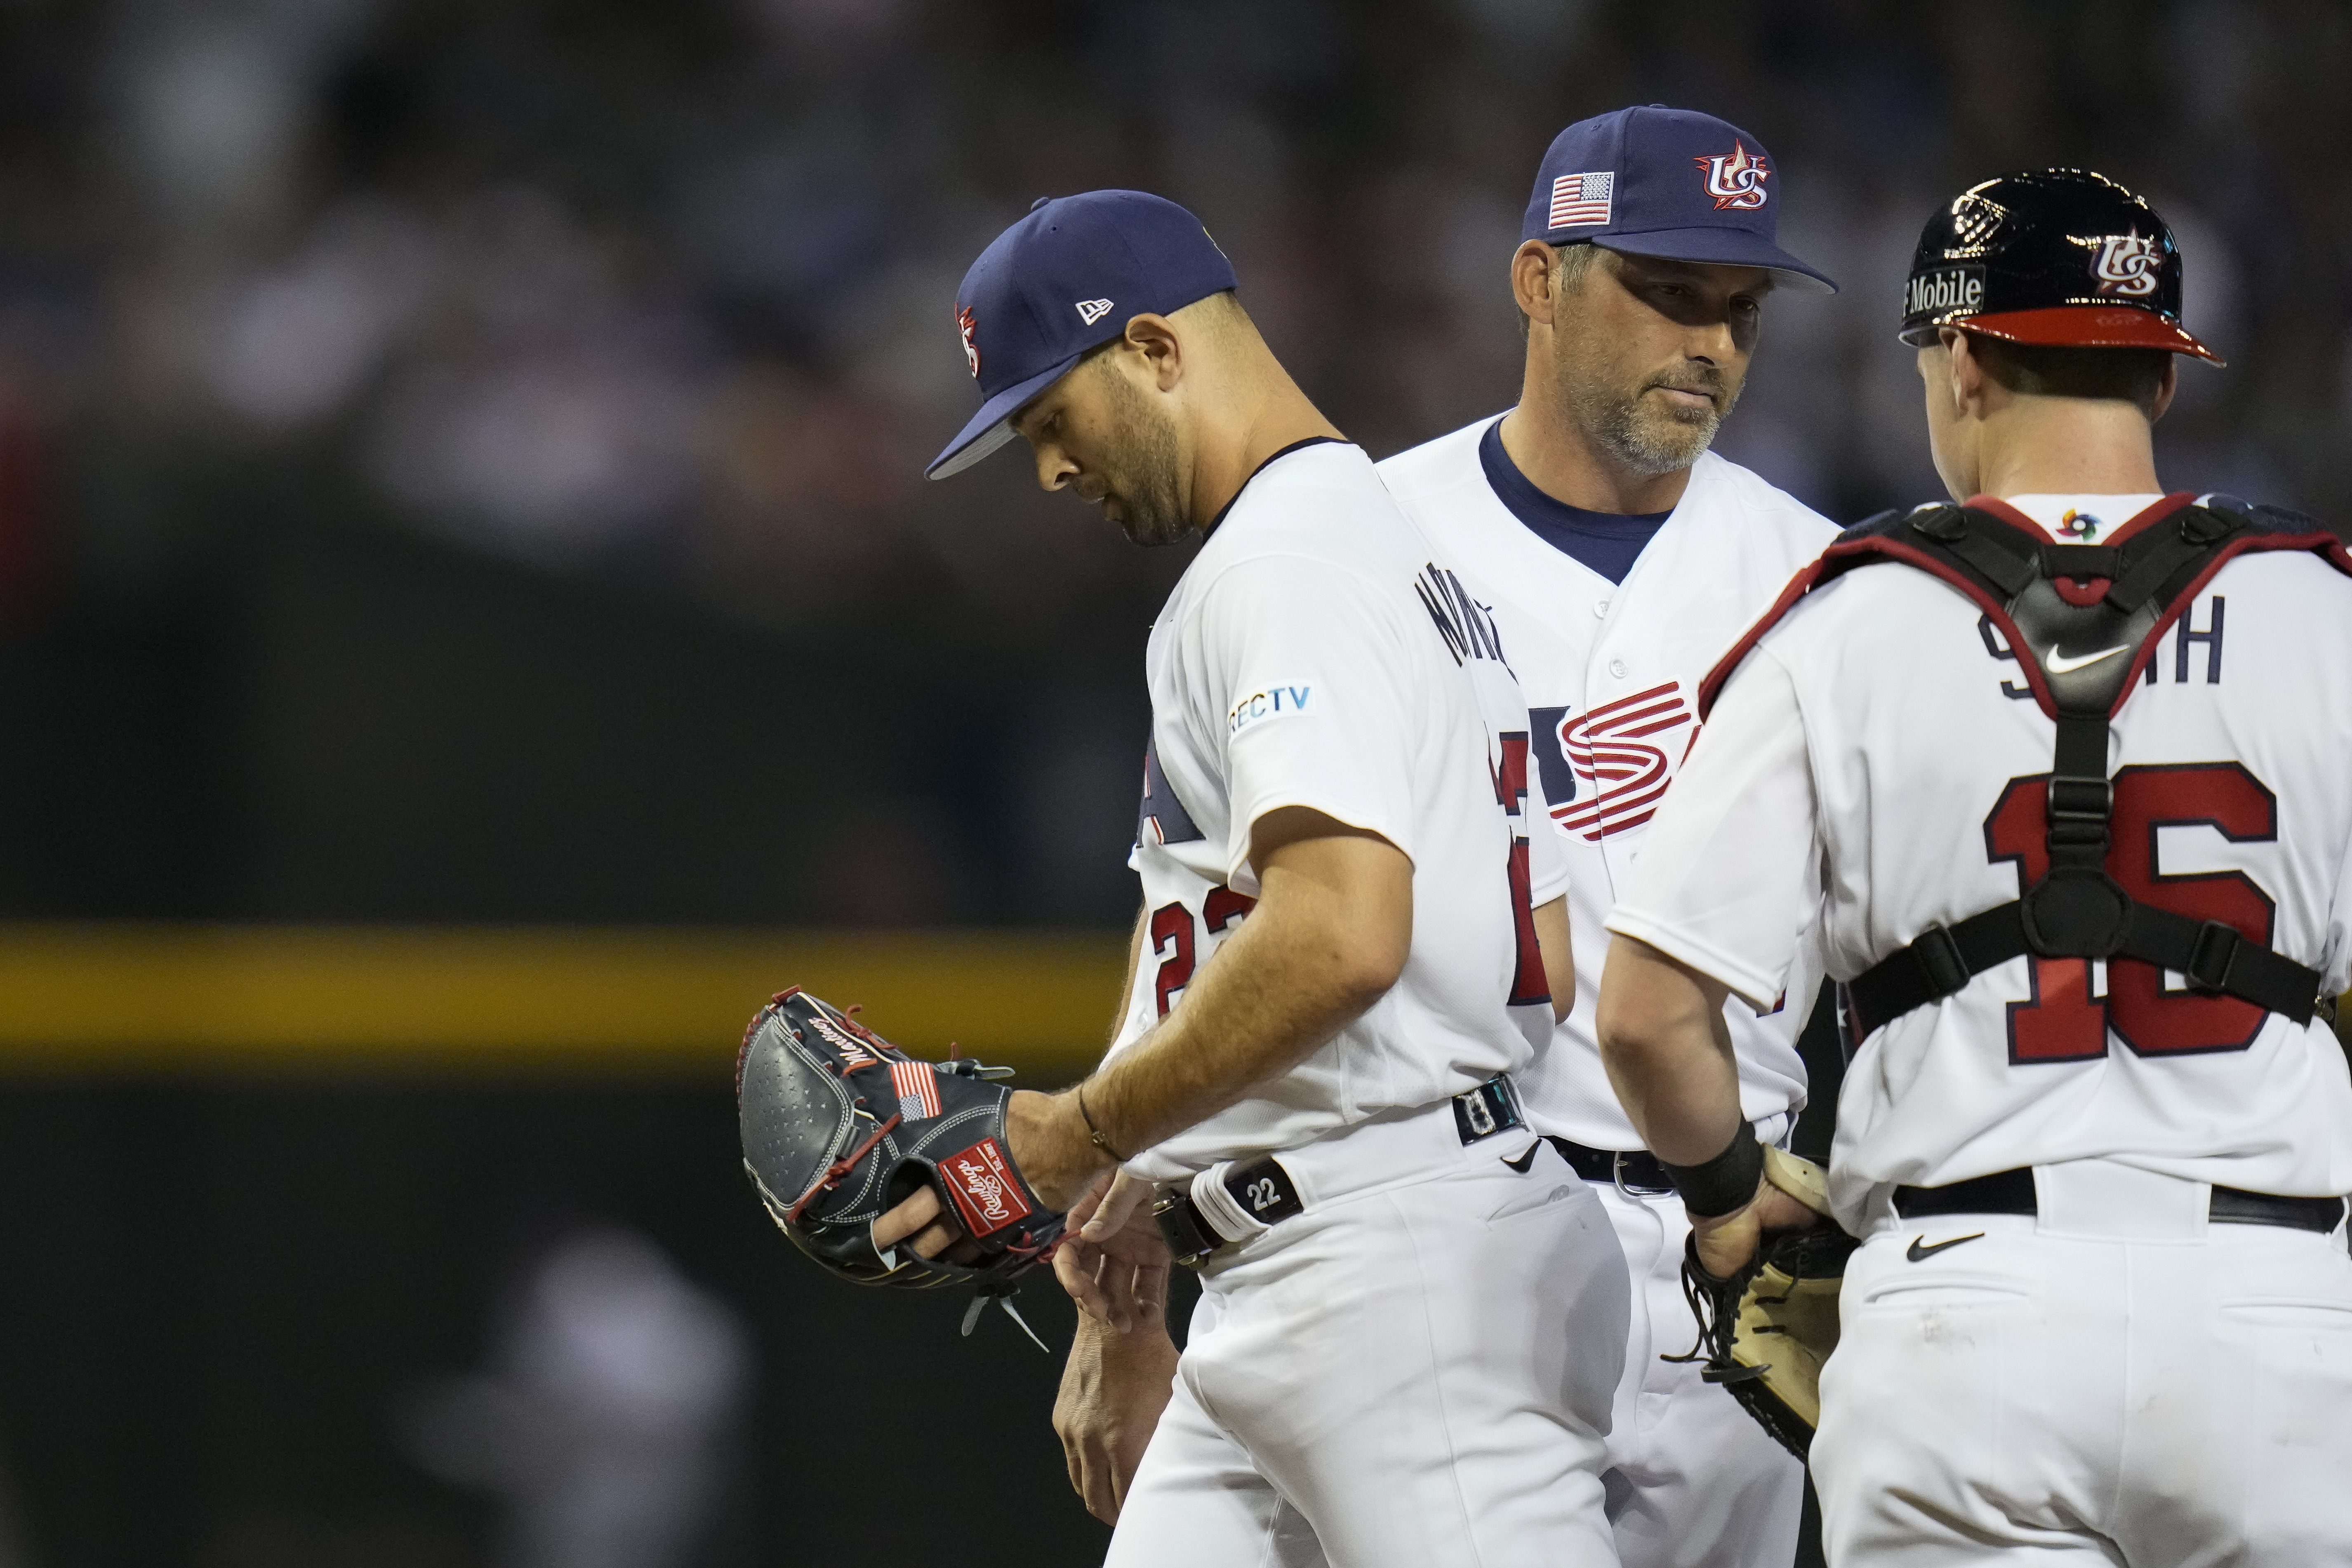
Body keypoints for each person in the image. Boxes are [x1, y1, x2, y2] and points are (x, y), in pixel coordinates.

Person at [1594, 167, 2352, 1564]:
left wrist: (1724, 1201)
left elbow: (1646, 1009)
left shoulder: (1849, 623)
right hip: (2279, 1317)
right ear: (2162, 382)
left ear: (1962, 356)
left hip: (1969, 1313)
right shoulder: (2326, 609)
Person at [897, 188, 1630, 1568]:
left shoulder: (1285, 566)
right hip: (1322, 1252)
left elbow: (1343, 934)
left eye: (1053, 420)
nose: (1049, 471)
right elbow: (1526, 930)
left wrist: (1081, 1133)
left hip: (1399, 1272)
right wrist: (1131, 1230)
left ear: (1156, 352)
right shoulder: (1405, 552)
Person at [1371, 104, 1839, 1568]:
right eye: (1668, 292)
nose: (1710, 343)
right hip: (1461, 1224)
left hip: (1738, 1251)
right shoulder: (1377, 539)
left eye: (1738, 309)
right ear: (1539, 280)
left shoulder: (1821, 576)